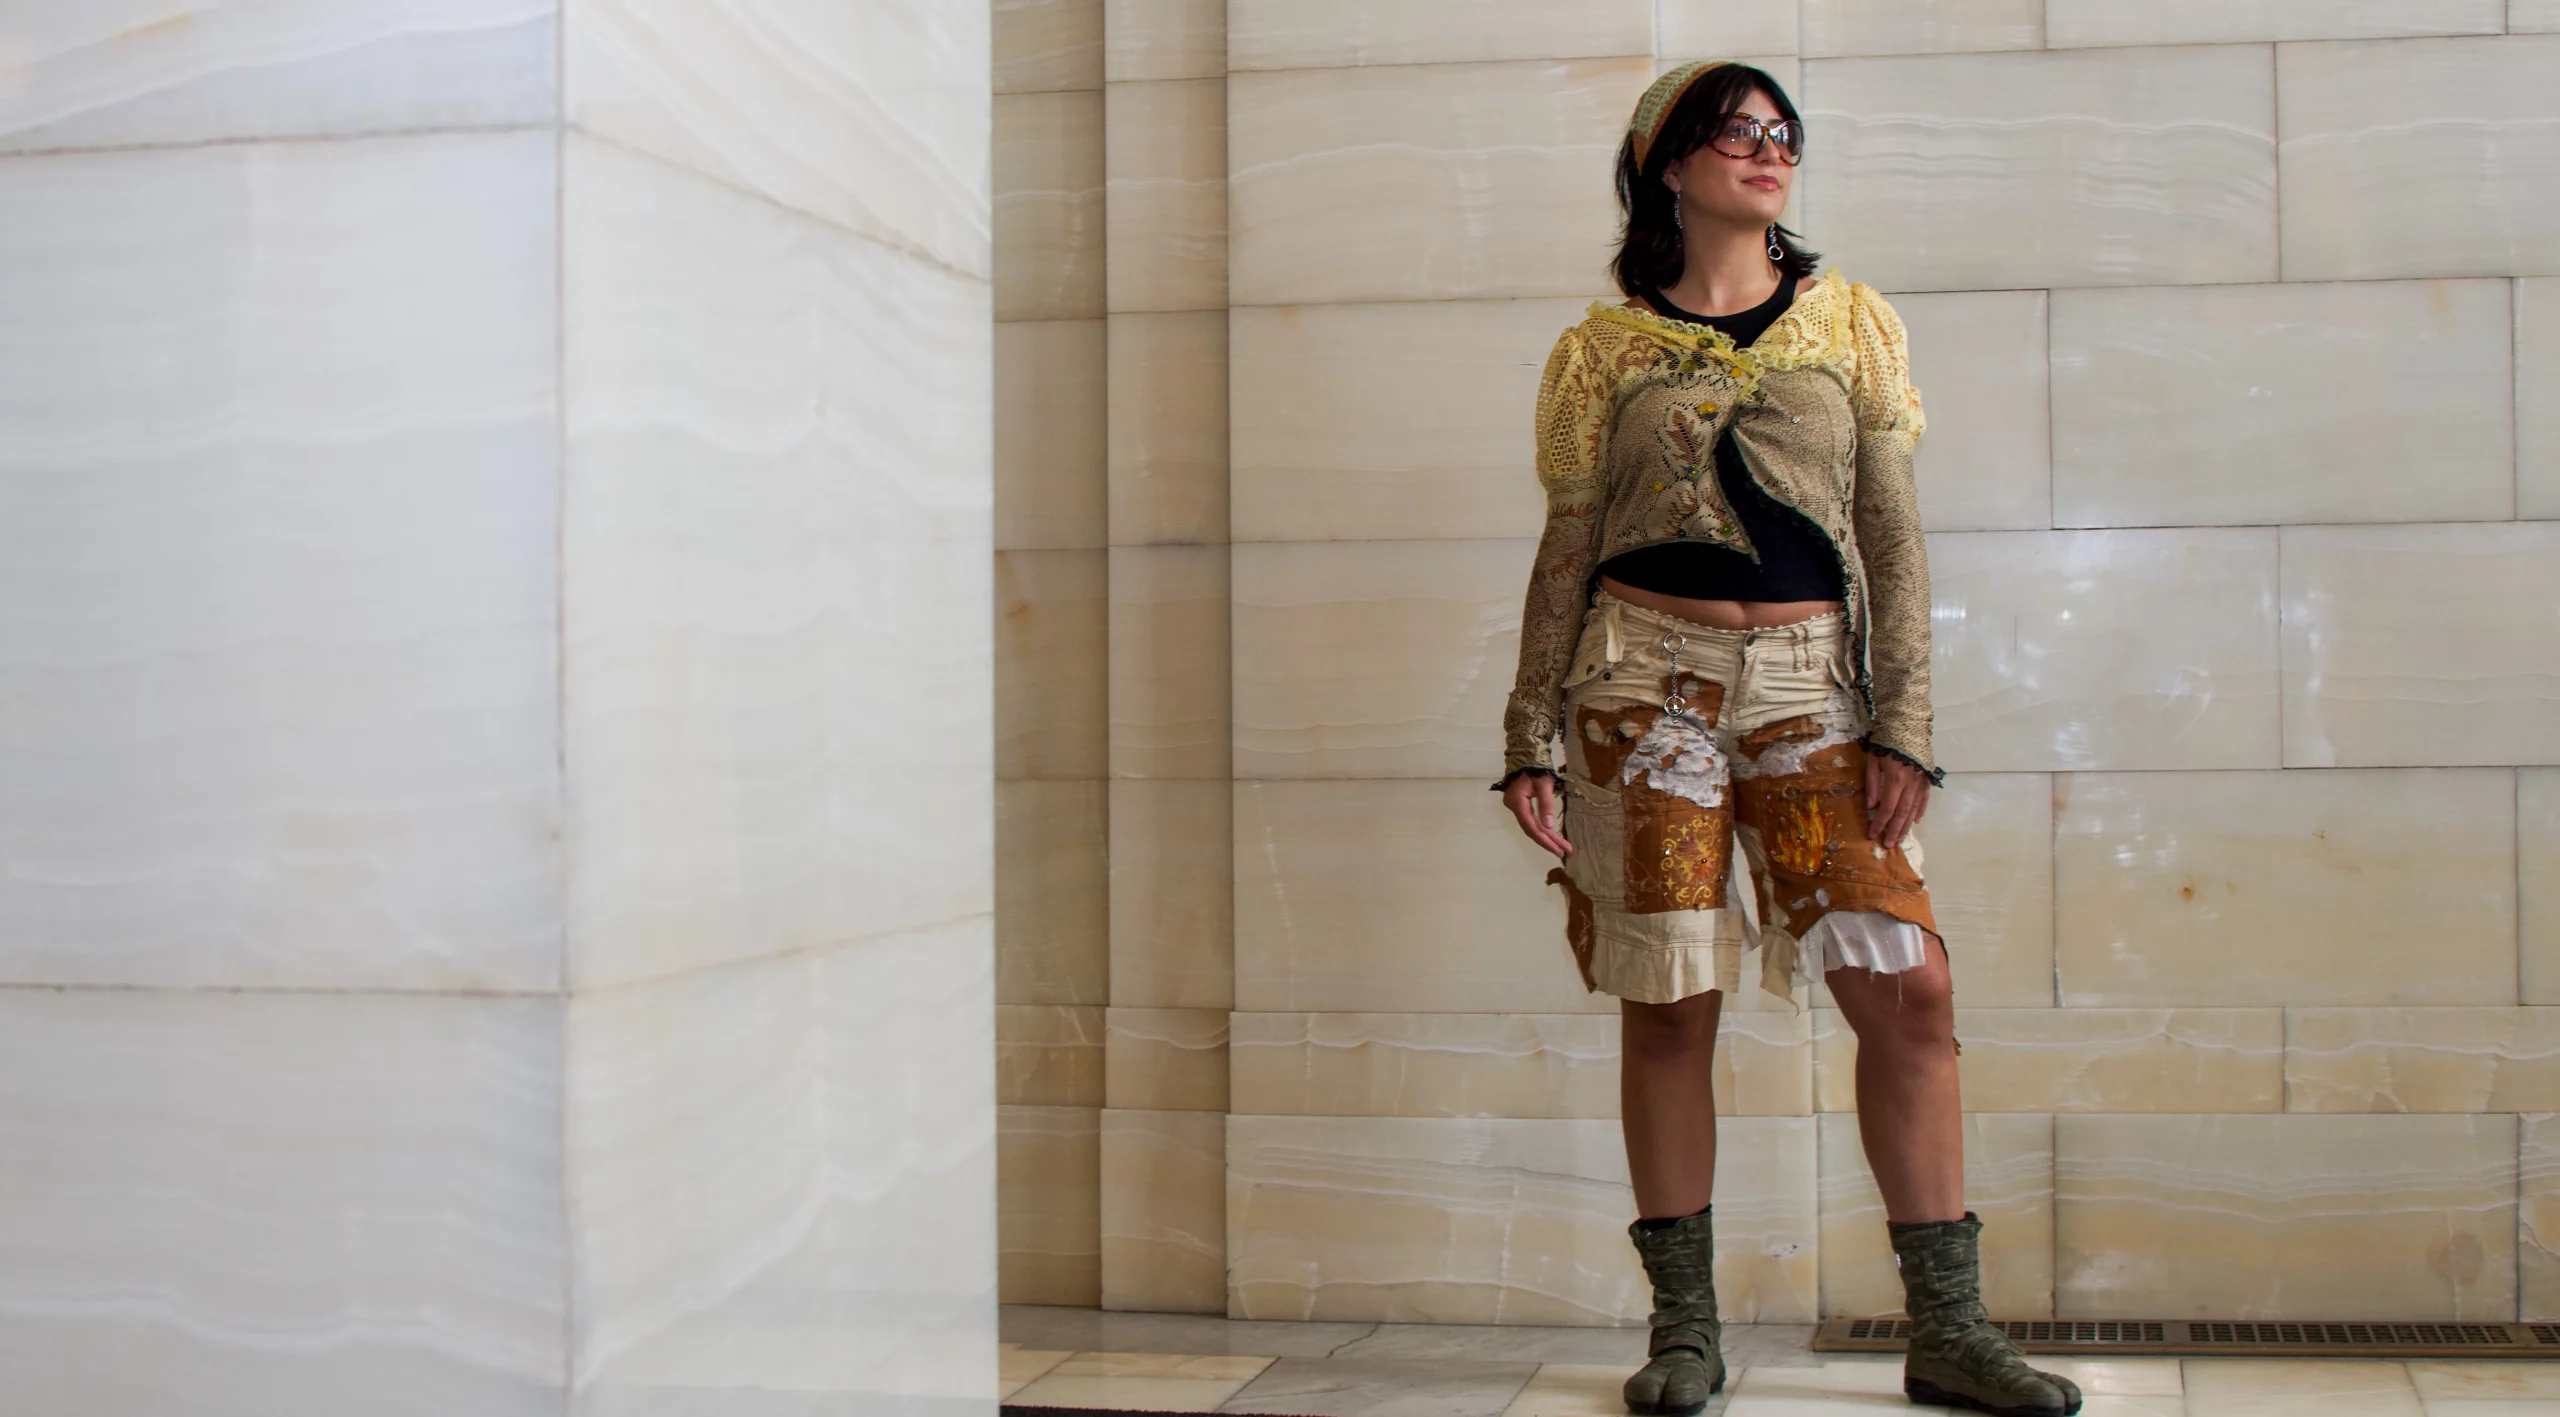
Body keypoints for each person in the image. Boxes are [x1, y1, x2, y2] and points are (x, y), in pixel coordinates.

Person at [1491, 60, 2081, 1417]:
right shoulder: (1602, 350)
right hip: (1642, 695)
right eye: (1734, 132)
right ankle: (1683, 1334)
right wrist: (1530, 727)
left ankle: (1949, 1330)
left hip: (1816, 688)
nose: (1766, 152)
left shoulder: (1854, 323)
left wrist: (1907, 722)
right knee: (1671, 999)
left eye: (1781, 135)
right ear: (1669, 167)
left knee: (1911, 989)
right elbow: (1567, 543)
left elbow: (1892, 533)